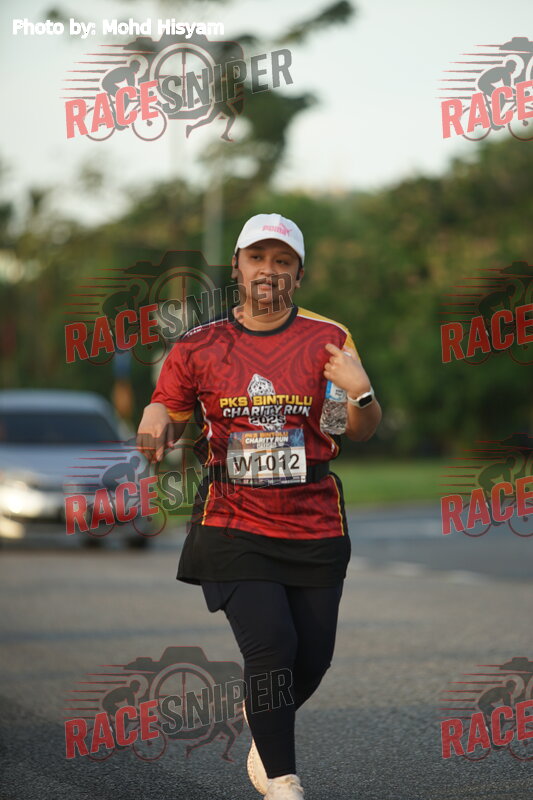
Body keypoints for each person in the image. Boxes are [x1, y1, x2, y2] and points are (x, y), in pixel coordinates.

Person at [136, 213, 382, 799]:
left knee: (312, 659)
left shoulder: (328, 338)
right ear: (237, 266)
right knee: (272, 645)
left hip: (314, 519)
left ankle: (262, 711)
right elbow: (167, 412)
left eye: (282, 261)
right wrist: (154, 422)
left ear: (299, 273)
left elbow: (356, 428)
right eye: (257, 258)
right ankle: (282, 781)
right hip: (233, 519)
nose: (269, 270)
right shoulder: (199, 346)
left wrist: (361, 390)